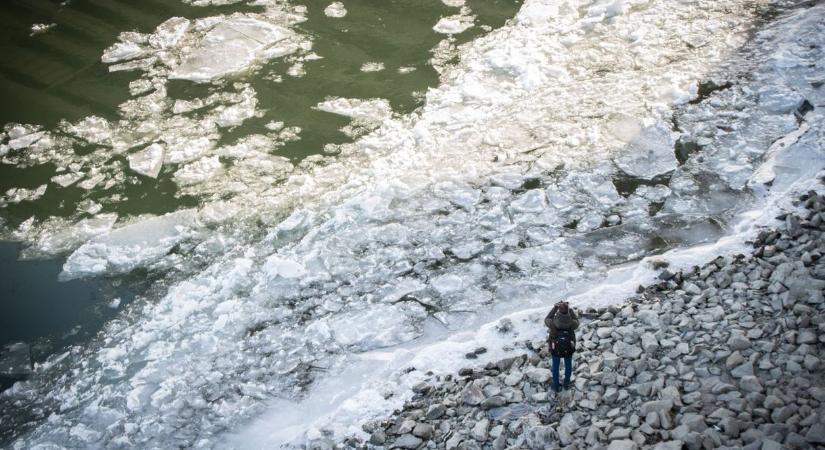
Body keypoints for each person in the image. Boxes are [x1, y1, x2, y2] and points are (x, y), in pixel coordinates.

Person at [544, 301, 579, 393]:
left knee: (555, 366)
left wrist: (555, 308)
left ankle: (556, 386)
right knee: (568, 365)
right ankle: (566, 384)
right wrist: (570, 311)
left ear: (559, 310)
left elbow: (546, 319)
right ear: (567, 311)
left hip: (556, 347)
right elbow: (577, 322)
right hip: (568, 346)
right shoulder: (572, 323)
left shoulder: (553, 322)